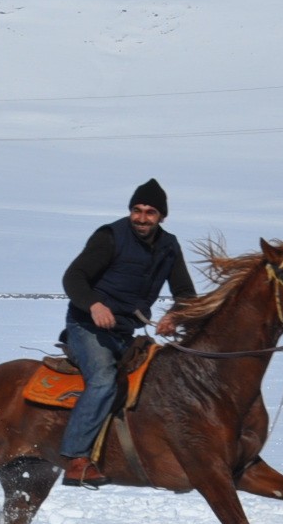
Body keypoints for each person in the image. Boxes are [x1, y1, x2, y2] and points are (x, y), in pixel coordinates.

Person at [56, 179, 197, 487]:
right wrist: (94, 305)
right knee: (104, 380)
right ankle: (77, 460)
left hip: (124, 331)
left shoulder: (169, 246)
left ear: (161, 217)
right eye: (136, 210)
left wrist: (175, 314)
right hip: (87, 326)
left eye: (149, 212)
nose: (141, 218)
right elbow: (74, 277)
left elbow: (186, 293)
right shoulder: (110, 237)